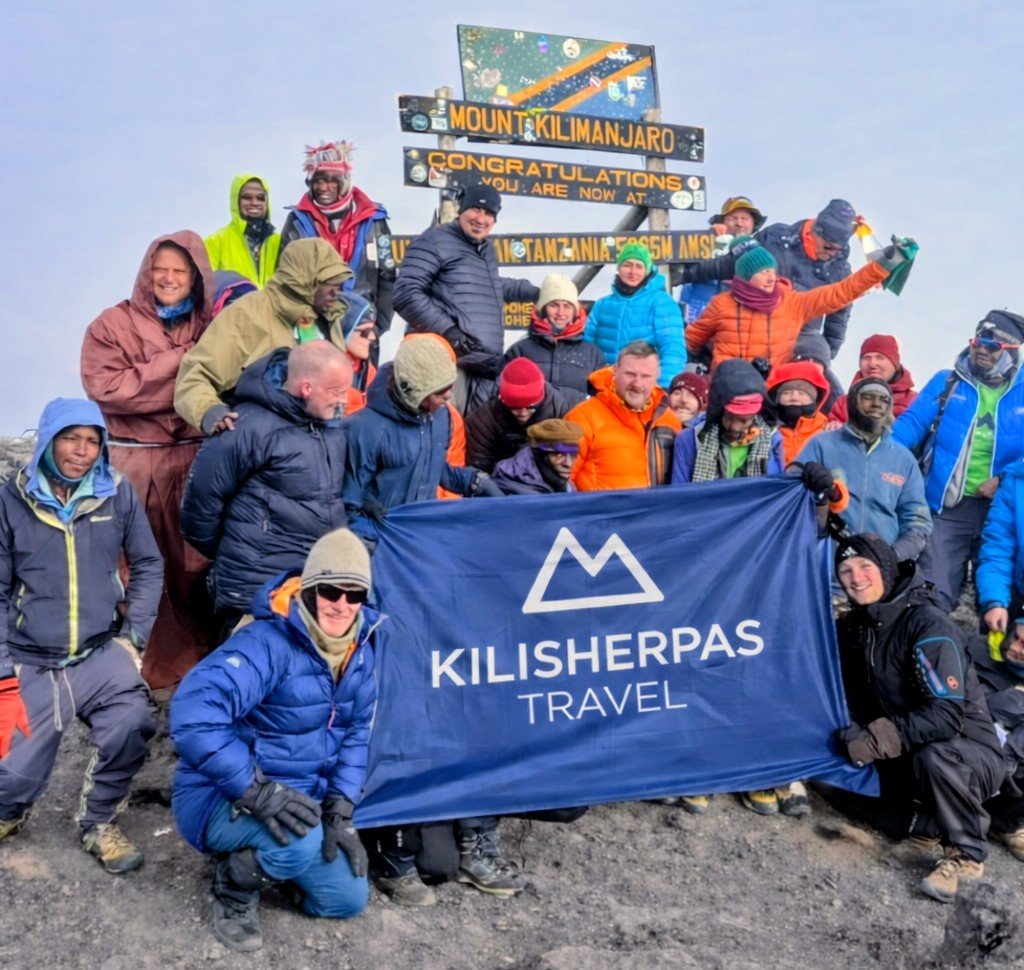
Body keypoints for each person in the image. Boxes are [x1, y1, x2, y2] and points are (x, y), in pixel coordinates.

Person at [170, 529, 377, 951]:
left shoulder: (361, 650)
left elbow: (356, 734)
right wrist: (255, 791)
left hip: (299, 801)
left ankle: (270, 861)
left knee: (347, 897)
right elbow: (193, 713)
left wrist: (340, 810)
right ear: (310, 588)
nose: (341, 604)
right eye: (330, 590)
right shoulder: (267, 642)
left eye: (353, 593)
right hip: (223, 794)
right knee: (299, 843)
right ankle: (232, 888)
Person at [0, 399, 162, 872]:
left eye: (93, 441)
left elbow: (149, 563)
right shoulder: (10, 500)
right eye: (71, 438)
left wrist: (134, 637)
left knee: (132, 723)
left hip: (97, 651)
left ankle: (99, 823)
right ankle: (11, 810)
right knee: (9, 775)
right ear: (48, 439)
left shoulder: (116, 493)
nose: (82, 451)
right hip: (29, 656)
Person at [832, 534, 1005, 902]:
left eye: (866, 567)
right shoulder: (855, 627)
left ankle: (967, 855)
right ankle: (926, 826)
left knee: (935, 756)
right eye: (845, 570)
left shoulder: (926, 623)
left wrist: (874, 740)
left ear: (888, 570)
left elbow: (945, 716)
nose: (856, 577)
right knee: (827, 771)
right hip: (906, 750)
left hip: (967, 754)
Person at [81, 230, 214, 690]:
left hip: (196, 462)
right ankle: (152, 666)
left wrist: (153, 377)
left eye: (181, 271)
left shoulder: (212, 324)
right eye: (161, 270)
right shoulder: (109, 325)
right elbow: (110, 390)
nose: (170, 278)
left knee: (198, 566)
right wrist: (184, 364)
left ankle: (208, 661)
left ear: (197, 278)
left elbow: (224, 379)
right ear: (145, 273)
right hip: (136, 467)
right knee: (142, 569)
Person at [181, 342, 353, 633]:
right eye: (336, 392)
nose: (344, 401)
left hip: (311, 591)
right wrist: (235, 553)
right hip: (254, 596)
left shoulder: (332, 430)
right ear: (307, 388)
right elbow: (199, 506)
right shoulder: (246, 427)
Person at [894, 311, 1024, 612]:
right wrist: (877, 462)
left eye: (992, 345)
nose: (981, 349)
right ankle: (934, 652)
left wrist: (1004, 478)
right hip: (945, 508)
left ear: (1011, 351)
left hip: (1004, 510)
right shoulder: (948, 381)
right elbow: (908, 427)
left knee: (1000, 596)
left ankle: (992, 656)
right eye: (978, 340)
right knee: (933, 593)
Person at [174, 237, 357, 435]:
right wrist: (210, 411)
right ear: (307, 281)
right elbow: (194, 375)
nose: (337, 293)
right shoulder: (248, 314)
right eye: (331, 284)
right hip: (263, 446)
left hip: (321, 446)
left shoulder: (331, 318)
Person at [394, 182, 539, 413]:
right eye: (476, 210)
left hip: (484, 369)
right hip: (448, 363)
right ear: (462, 209)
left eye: (489, 213)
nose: (481, 218)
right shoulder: (435, 240)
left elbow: (489, 288)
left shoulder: (485, 250)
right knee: (445, 435)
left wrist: (539, 293)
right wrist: (449, 332)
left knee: (472, 443)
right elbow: (405, 292)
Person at [684, 235, 907, 375]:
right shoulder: (721, 305)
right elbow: (689, 342)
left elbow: (842, 291)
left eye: (772, 271)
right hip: (725, 394)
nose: (771, 277)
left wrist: (882, 266)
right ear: (745, 275)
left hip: (770, 398)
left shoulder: (792, 303)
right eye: (763, 273)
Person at [678, 199, 862, 357]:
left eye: (838, 249)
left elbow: (838, 319)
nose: (832, 254)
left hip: (798, 346)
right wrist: (683, 274)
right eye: (828, 247)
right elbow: (731, 265)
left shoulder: (840, 270)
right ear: (815, 232)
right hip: (749, 332)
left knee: (825, 386)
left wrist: (825, 355)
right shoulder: (776, 238)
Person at [797, 377, 931, 562]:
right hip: (821, 569)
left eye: (884, 400)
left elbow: (917, 522)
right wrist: (814, 489)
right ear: (853, 401)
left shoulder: (904, 459)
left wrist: (892, 557)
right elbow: (789, 498)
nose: (877, 404)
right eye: (868, 397)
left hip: (879, 579)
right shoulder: (821, 444)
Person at [279, 141, 396, 337]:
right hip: (313, 328)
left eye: (333, 180)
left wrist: (379, 327)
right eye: (318, 180)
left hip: (362, 327)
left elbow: (388, 275)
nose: (325, 187)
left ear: (345, 180)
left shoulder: (374, 220)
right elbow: (286, 277)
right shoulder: (297, 221)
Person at [566, 341, 681, 492]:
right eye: (630, 374)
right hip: (601, 514)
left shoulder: (670, 421)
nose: (637, 383)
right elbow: (562, 482)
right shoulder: (582, 417)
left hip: (654, 514)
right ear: (615, 371)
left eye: (646, 376)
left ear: (657, 377)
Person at [584, 242, 685, 389]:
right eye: (627, 265)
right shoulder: (602, 304)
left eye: (639, 266)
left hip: (644, 388)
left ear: (647, 270)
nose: (633, 271)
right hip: (605, 389)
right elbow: (587, 348)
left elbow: (673, 349)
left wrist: (663, 387)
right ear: (618, 268)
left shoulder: (661, 302)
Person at [671, 359, 785, 485]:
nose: (736, 428)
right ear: (718, 411)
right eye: (730, 418)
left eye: (744, 420)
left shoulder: (772, 439)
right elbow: (679, 494)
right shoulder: (690, 440)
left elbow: (779, 490)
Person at [502, 273, 605, 407]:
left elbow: (602, 400)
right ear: (543, 309)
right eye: (554, 305)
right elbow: (503, 393)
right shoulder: (520, 350)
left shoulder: (592, 354)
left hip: (576, 425)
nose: (561, 312)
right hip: (532, 426)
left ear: (575, 311)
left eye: (567, 306)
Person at [968, 620, 1024, 862]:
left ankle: (1005, 822)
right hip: (969, 742)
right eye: (1018, 639)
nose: (1018, 649)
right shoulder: (977, 648)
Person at [464, 358, 571, 473]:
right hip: (500, 480)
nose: (523, 413)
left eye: (531, 407)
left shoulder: (558, 410)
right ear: (503, 400)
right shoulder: (483, 421)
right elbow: (478, 467)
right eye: (515, 407)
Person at [205, 174, 281, 288]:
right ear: (236, 201)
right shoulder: (215, 242)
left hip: (273, 306)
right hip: (234, 306)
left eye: (260, 198)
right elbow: (205, 288)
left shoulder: (281, 242)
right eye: (247, 197)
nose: (254, 203)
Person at [830, 334, 917, 422]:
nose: (872, 364)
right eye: (867, 358)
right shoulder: (843, 403)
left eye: (880, 358)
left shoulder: (915, 401)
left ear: (895, 363)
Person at [766, 360, 832, 466]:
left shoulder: (828, 430)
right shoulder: (767, 432)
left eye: (802, 393)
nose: (794, 398)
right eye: (786, 393)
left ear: (815, 399)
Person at [492, 419, 584, 495]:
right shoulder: (512, 484)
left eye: (573, 454)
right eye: (558, 454)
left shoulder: (557, 479)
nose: (569, 464)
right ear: (539, 453)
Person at [340, 293, 378, 413]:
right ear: (344, 331)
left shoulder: (368, 370)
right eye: (365, 332)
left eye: (373, 330)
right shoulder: (322, 375)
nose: (372, 337)